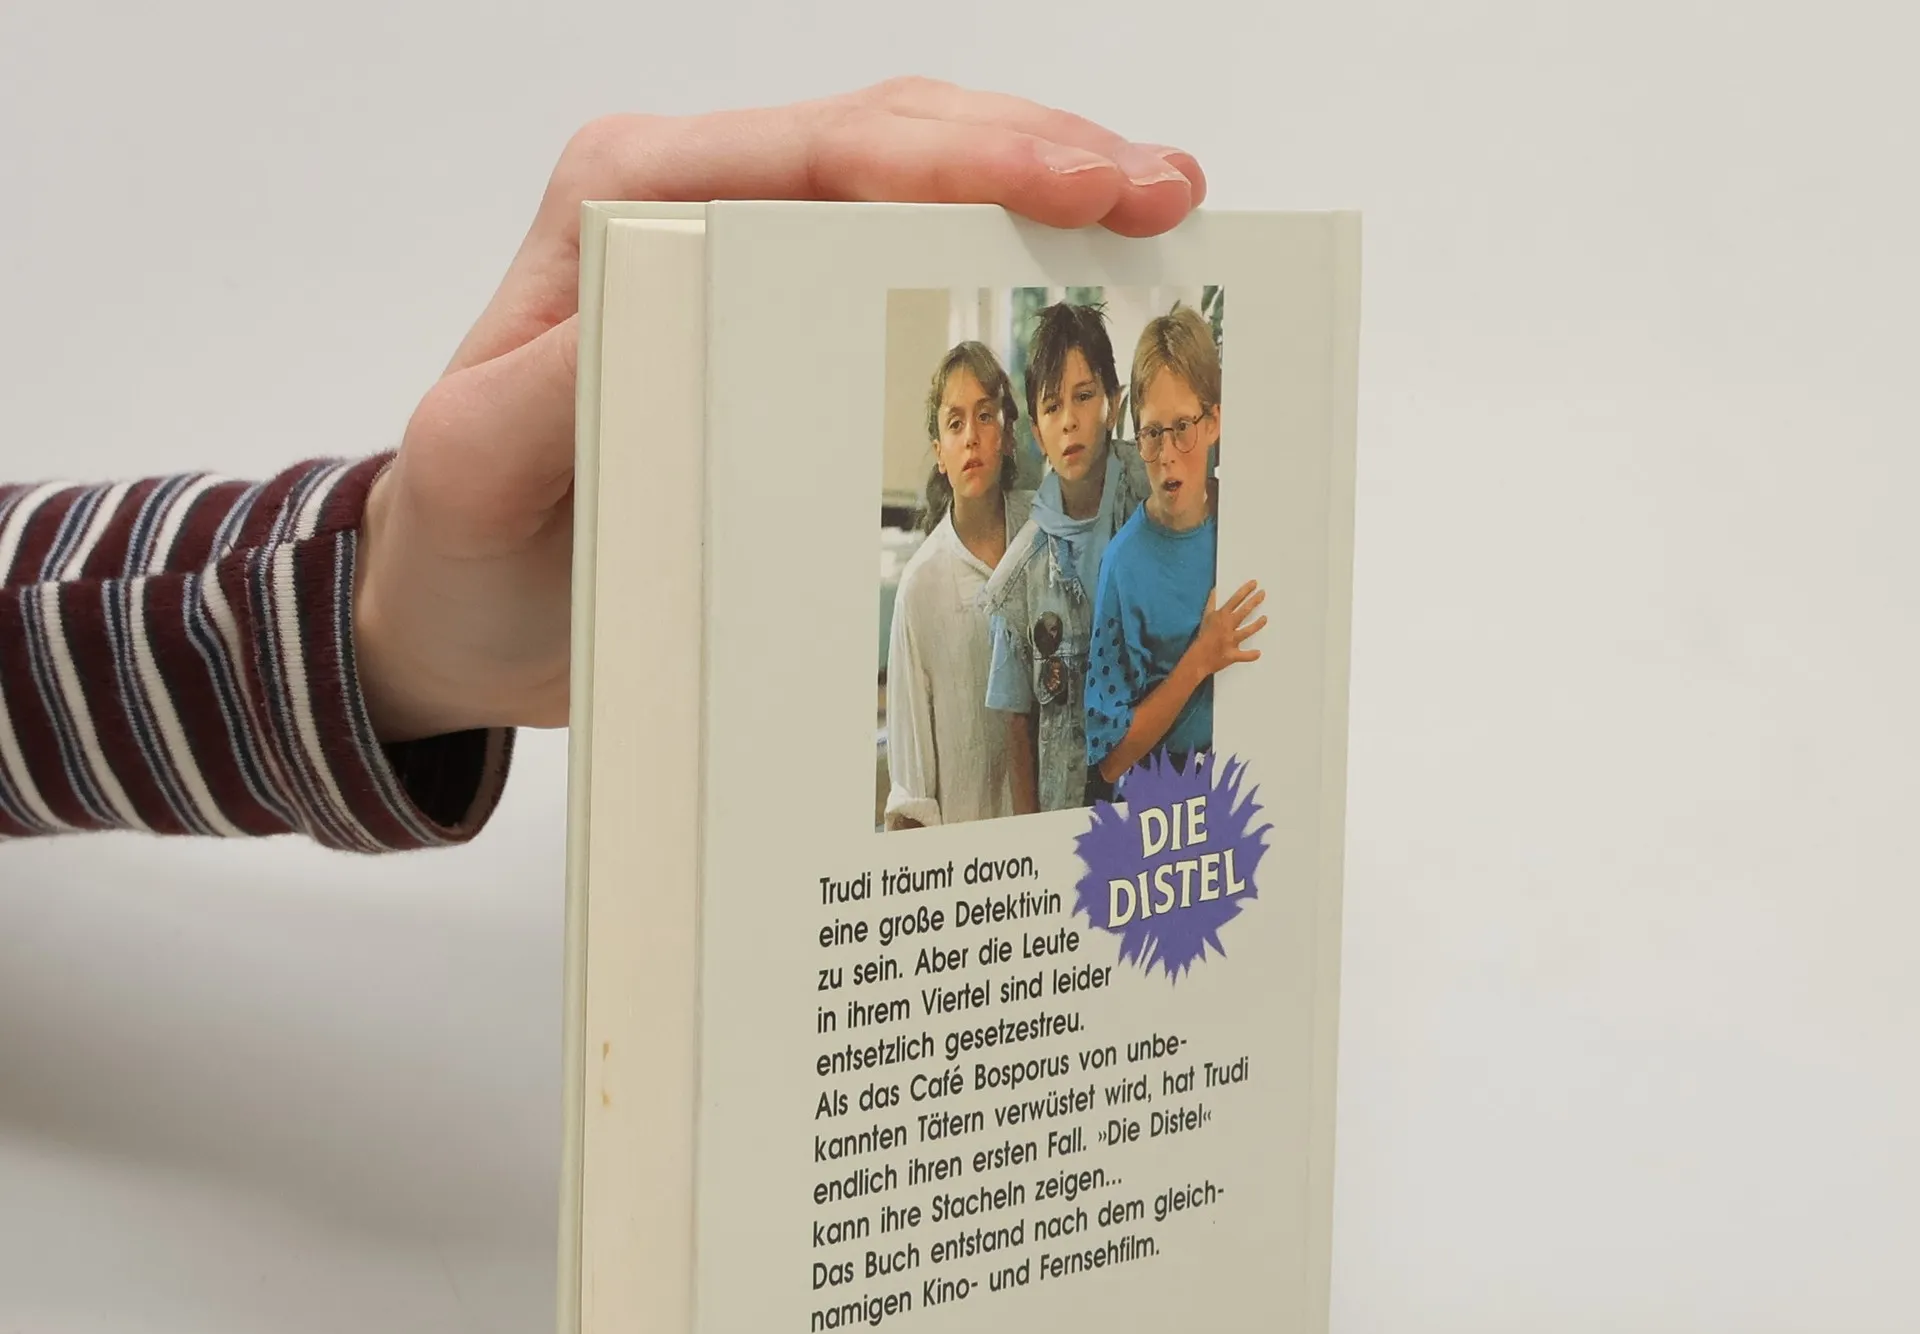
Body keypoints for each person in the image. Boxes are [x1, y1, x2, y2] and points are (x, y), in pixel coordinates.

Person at [0, 80, 1205, 849]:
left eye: (1025, 410)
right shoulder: (940, 586)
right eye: (970, 416)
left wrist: (374, 623)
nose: (999, 435)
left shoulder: (1091, 554)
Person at [1084, 303, 1264, 797]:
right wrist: (1199, 658)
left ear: (1214, 422)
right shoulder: (1123, 565)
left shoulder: (1251, 527)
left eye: (1183, 427)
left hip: (1244, 789)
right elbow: (1109, 758)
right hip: (1158, 808)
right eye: (1151, 433)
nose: (1166, 455)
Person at [980, 300, 1148, 813]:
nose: (1069, 421)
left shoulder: (1155, 504)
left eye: (1084, 396)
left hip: (1157, 804)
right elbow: (1016, 724)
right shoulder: (1018, 578)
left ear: (1113, 404)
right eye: (1052, 407)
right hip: (1069, 813)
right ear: (1037, 432)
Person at [882, 342, 1031, 829]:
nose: (971, 437)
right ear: (939, 454)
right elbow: (911, 793)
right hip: (970, 859)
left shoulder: (1045, 535)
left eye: (985, 416)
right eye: (955, 423)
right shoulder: (921, 587)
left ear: (1007, 435)